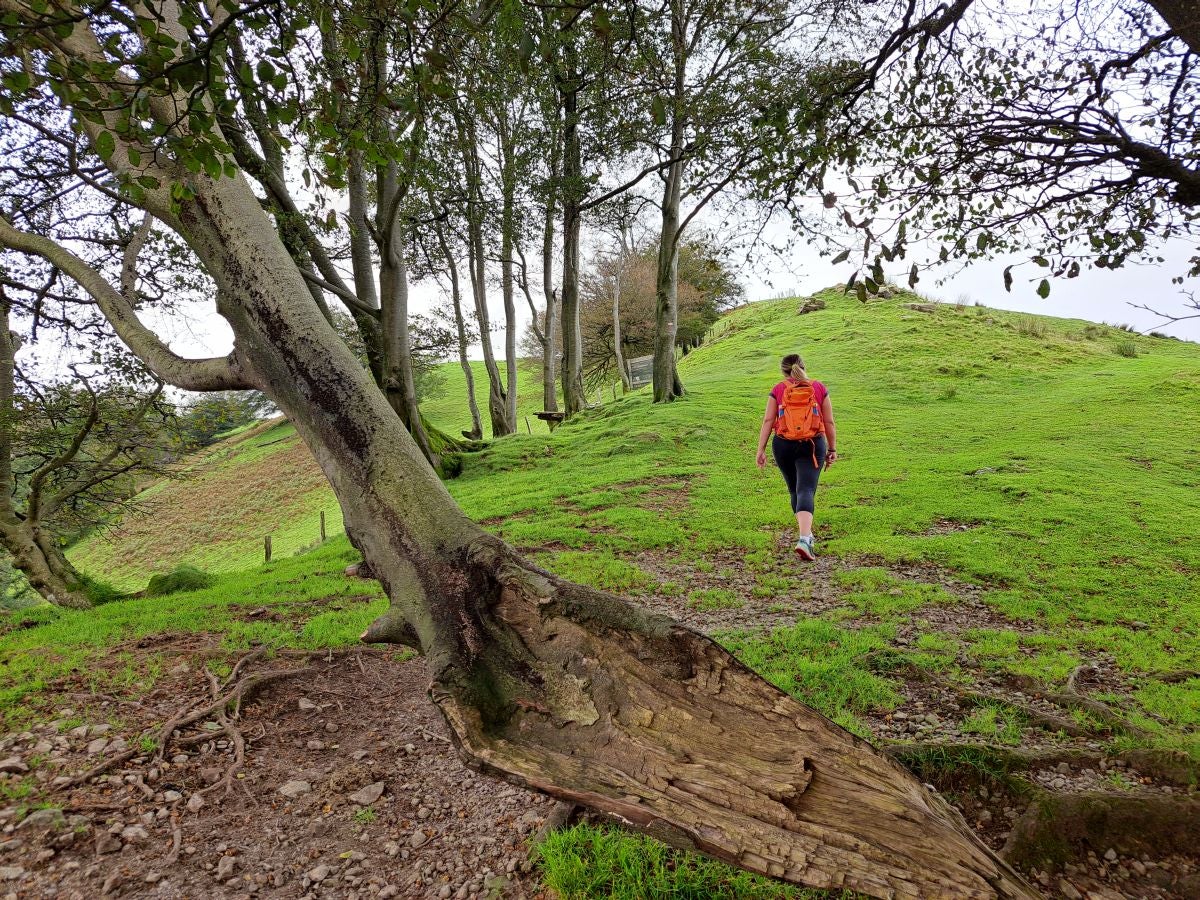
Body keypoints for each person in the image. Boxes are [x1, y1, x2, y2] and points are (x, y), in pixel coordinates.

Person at [755, 354, 837, 559]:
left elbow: (768, 420)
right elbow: (829, 423)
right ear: (803, 367)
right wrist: (832, 449)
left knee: (795, 490)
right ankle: (804, 538)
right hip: (812, 444)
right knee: (806, 489)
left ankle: (806, 535)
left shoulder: (778, 389)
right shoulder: (818, 387)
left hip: (783, 445)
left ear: (783, 371)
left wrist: (761, 449)